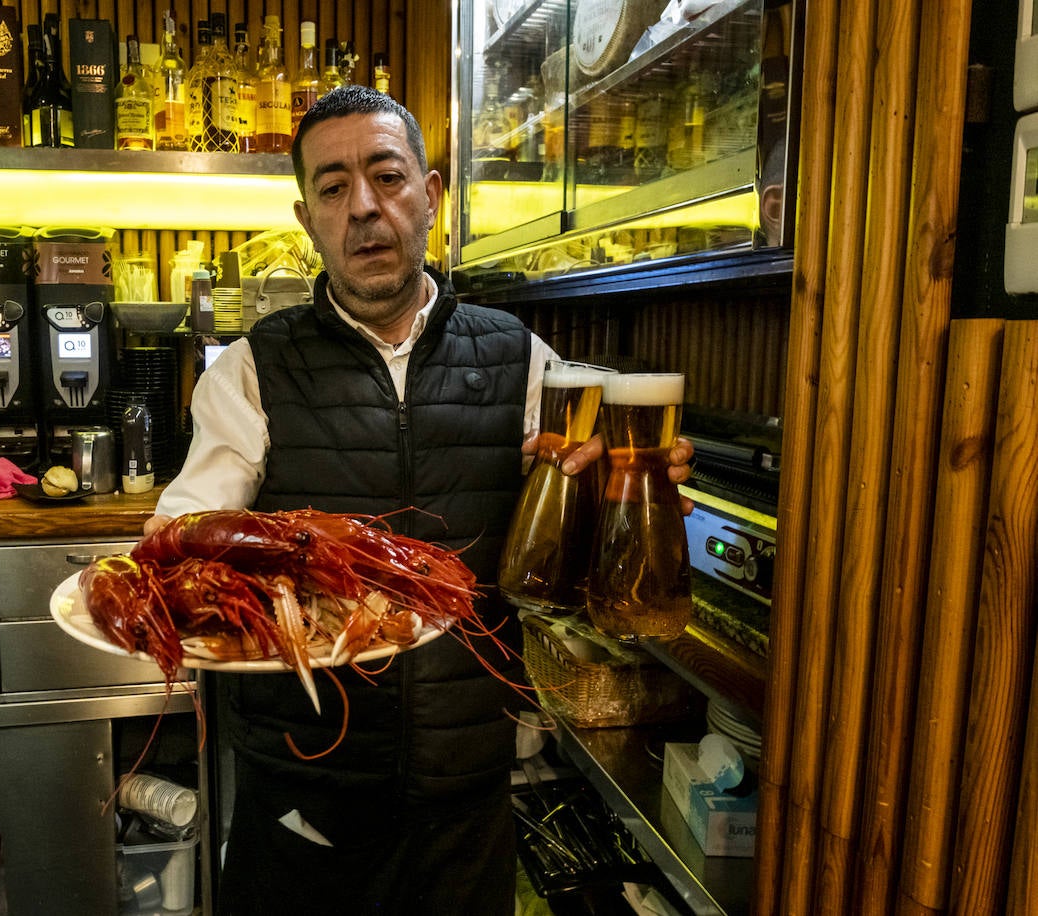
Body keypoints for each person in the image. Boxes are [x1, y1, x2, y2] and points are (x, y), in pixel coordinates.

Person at [146, 85, 694, 915]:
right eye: (333, 188)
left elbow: (563, 556)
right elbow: (180, 533)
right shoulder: (251, 370)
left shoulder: (523, 360)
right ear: (308, 218)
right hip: (302, 788)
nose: (364, 207)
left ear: (431, 196)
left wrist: (627, 507)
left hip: (466, 791)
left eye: (387, 177)